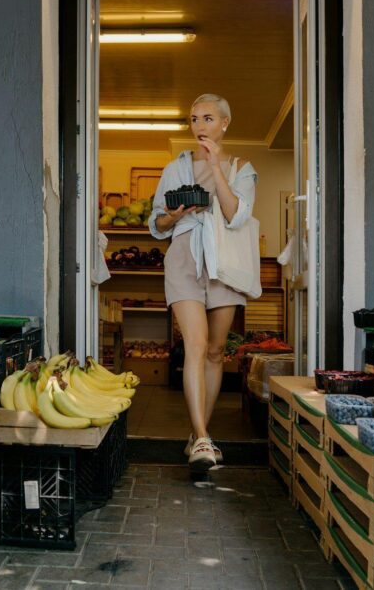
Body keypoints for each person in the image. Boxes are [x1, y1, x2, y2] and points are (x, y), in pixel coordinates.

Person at [149, 94, 258, 470]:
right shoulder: (174, 168)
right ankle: (204, 438)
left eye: (207, 118)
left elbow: (237, 215)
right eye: (193, 119)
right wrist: (175, 215)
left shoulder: (242, 168)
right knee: (194, 344)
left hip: (225, 263)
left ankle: (198, 437)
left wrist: (216, 165)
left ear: (225, 123)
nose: (199, 126)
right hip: (184, 257)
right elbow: (157, 225)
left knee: (215, 351)